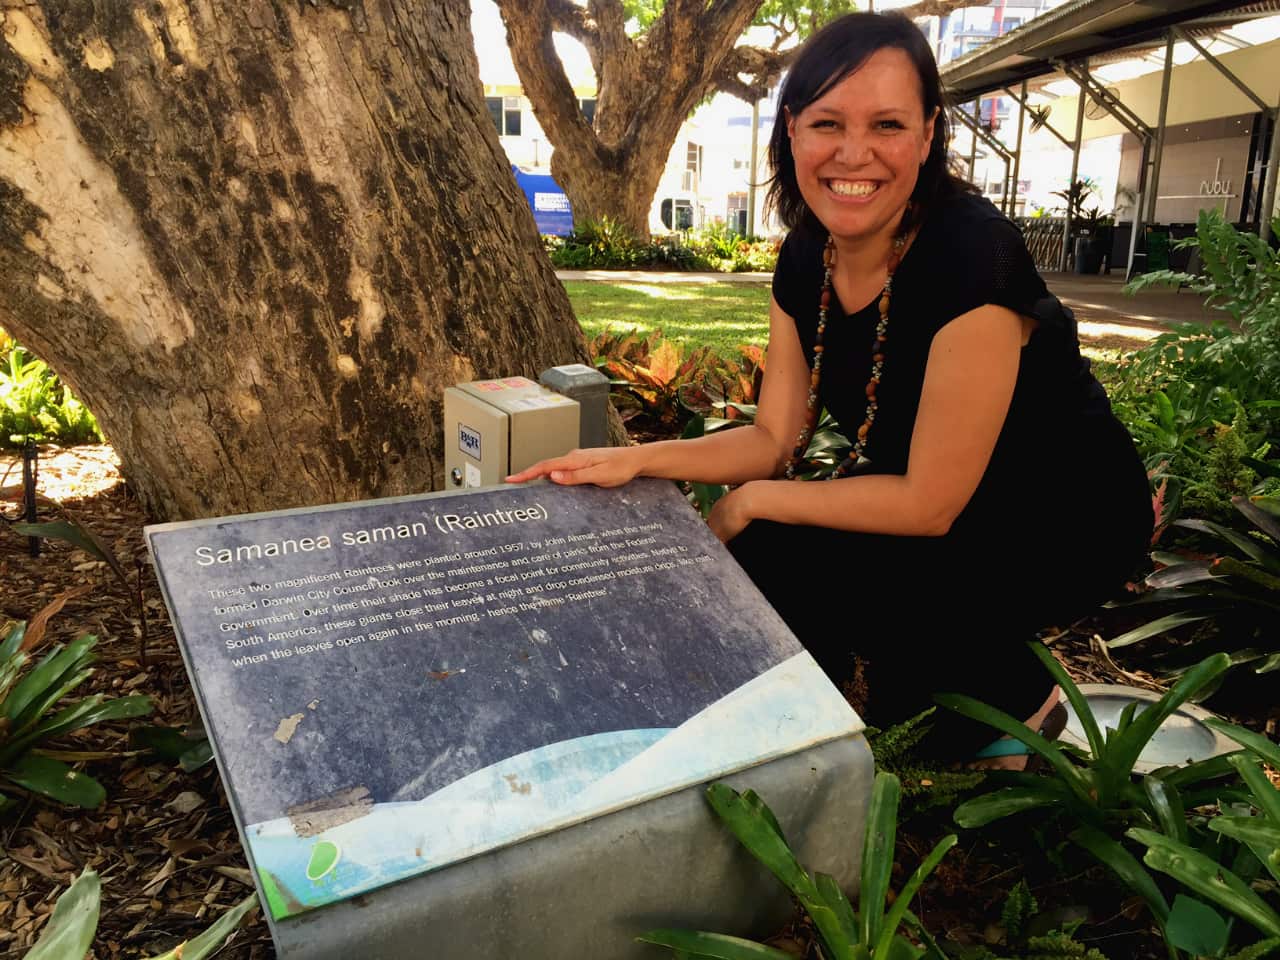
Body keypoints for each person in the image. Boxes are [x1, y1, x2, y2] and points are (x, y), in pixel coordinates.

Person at [508, 12, 1153, 759]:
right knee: (775, 559)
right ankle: (877, 703)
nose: (855, 153)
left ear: (927, 133)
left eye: (886, 124)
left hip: (1059, 514)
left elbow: (928, 504)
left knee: (796, 549)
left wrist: (750, 501)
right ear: (791, 130)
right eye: (827, 122)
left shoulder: (973, 258)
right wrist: (634, 461)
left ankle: (1014, 695)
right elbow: (773, 438)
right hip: (926, 489)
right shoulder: (807, 255)